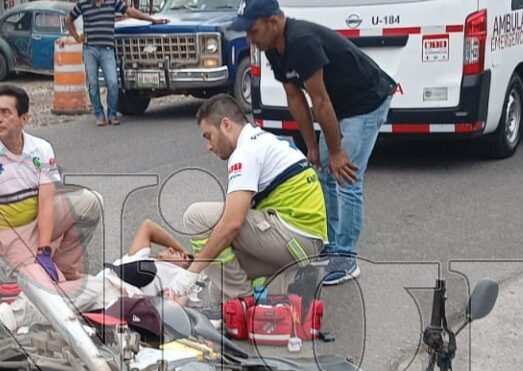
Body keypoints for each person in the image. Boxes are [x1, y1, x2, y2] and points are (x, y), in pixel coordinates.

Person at [233, 0, 394, 286]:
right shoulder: (273, 48)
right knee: (323, 173)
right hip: (340, 105)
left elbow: (320, 101)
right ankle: (329, 245)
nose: (250, 40)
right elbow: (295, 97)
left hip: (367, 100)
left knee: (346, 176)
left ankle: (346, 258)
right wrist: (311, 147)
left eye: (253, 30)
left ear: (272, 21)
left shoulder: (302, 42)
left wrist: (336, 151)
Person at [158, 94, 327, 302]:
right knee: (216, 280)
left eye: (208, 136)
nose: (209, 147)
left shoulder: (245, 152)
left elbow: (231, 224)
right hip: (304, 242)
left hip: (294, 236)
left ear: (226, 125)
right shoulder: (263, 140)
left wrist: (191, 272)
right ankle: (254, 301)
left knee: (197, 217)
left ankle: (243, 300)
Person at [0, 85, 104, 290]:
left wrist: (44, 251)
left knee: (91, 202)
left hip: (34, 223)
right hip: (6, 236)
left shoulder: (41, 149)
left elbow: (46, 201)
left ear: (24, 119)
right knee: (51, 292)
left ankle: (63, 268)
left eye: (5, 112)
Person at [65, 0, 167, 127]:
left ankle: (112, 114)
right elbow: (68, 19)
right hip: (90, 49)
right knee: (93, 83)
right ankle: (99, 114)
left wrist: (151, 19)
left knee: (113, 83)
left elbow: (129, 11)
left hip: (107, 49)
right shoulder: (83, 4)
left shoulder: (112, 2)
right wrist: (76, 37)